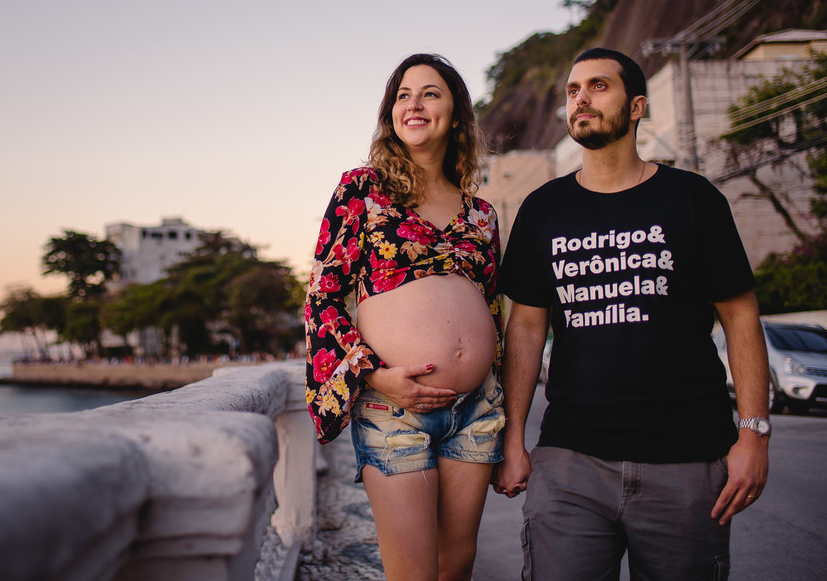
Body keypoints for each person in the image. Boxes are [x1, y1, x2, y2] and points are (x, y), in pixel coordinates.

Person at [494, 47, 770, 580]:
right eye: (574, 90)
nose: (581, 99)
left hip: (688, 462)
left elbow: (740, 317)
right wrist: (513, 440)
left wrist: (753, 434)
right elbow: (526, 327)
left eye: (599, 86)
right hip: (571, 461)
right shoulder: (542, 209)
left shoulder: (693, 199)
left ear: (638, 106)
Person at [305, 53, 505, 581]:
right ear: (390, 114)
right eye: (403, 95)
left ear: (456, 114)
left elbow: (492, 309)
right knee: (412, 573)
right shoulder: (362, 190)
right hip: (395, 407)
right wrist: (373, 374)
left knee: (456, 564)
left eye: (430, 93)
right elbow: (322, 297)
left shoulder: (480, 212)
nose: (414, 104)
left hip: (477, 408)